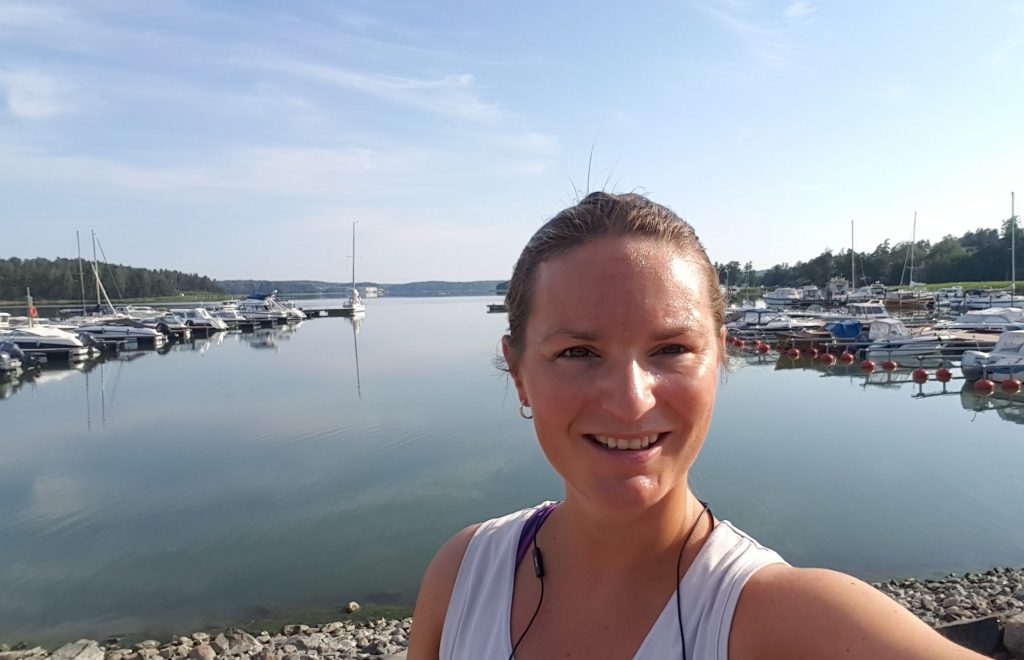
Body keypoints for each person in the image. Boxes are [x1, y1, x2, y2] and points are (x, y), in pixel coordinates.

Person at [408, 192, 985, 659]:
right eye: (578, 352)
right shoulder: (465, 573)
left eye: (671, 348)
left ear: (720, 358)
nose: (630, 402)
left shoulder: (786, 618)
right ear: (518, 373)